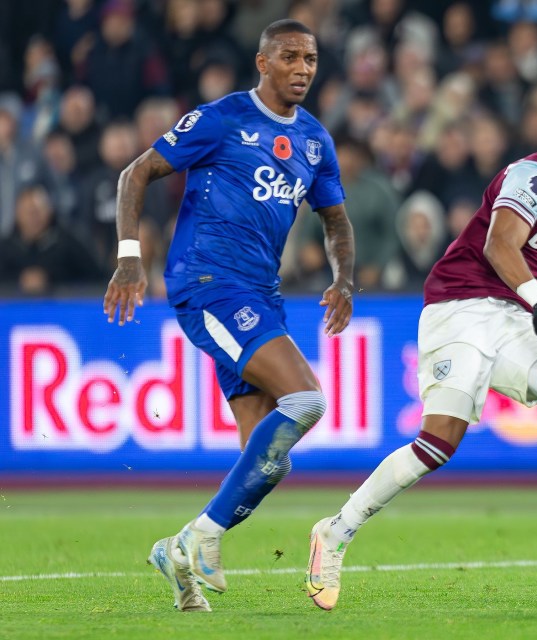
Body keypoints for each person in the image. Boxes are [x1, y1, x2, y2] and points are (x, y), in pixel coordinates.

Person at [305, 98, 537, 611]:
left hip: (508, 313)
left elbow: (530, 256)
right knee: (437, 442)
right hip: (460, 309)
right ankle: (336, 530)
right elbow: (500, 246)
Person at [102, 19, 355, 612]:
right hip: (208, 283)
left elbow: (335, 220)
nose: (302, 68)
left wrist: (345, 278)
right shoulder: (221, 119)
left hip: (260, 294)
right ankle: (202, 538)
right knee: (307, 400)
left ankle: (179, 552)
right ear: (263, 63)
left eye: (311, 58)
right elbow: (133, 173)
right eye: (290, 57)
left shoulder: (315, 141)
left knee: (266, 458)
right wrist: (130, 259)